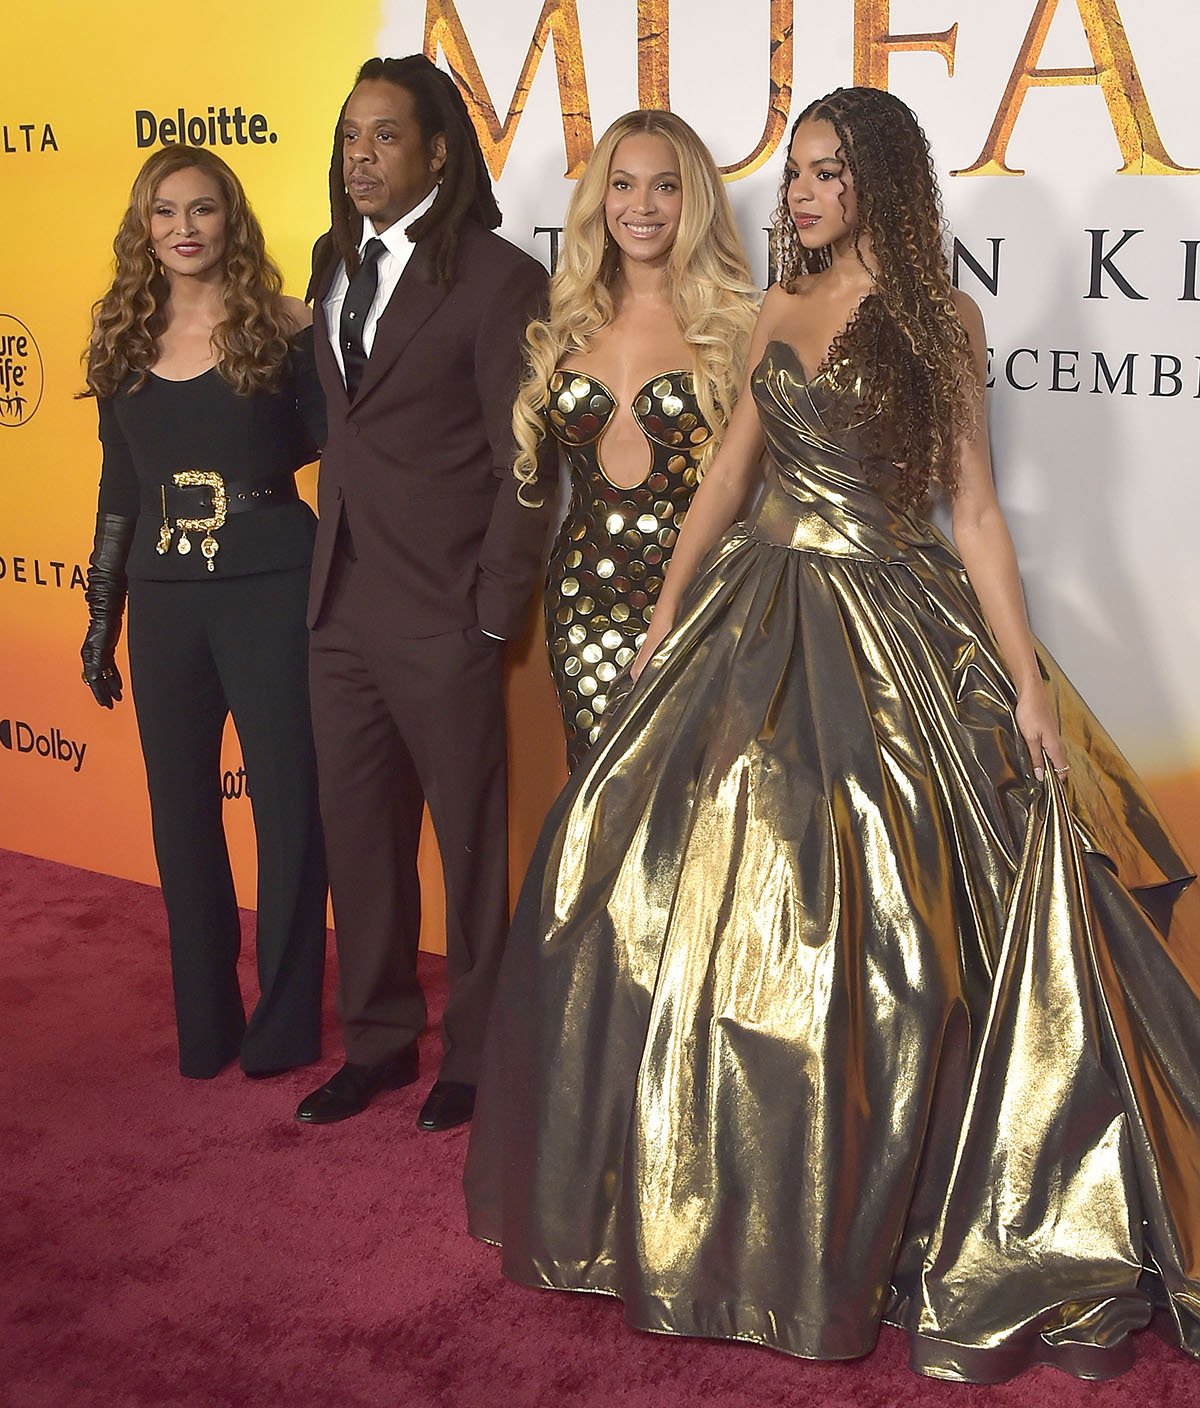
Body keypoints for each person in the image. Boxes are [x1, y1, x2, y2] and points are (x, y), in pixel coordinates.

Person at [464, 87, 1200, 1381]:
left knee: (885, 918)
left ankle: (880, 1209)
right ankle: (689, 1199)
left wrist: (1027, 680)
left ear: (882, 188)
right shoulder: (772, 314)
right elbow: (729, 482)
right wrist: (665, 619)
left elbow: (972, 512)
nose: (798, 194)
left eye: (825, 174)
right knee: (614, 862)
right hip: (753, 614)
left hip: (892, 617)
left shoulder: (941, 323)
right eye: (794, 172)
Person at [294, 56, 557, 1131]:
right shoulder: (329, 259)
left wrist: (492, 610)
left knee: (469, 845)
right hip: (338, 602)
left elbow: (527, 463)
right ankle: (379, 1041)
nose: (359, 156)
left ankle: (477, 1056)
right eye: (350, 135)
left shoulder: (500, 282)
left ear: (438, 153)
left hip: (446, 610)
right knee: (359, 839)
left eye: (384, 136)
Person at [80, 145, 328, 1081]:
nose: (185, 229)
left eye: (203, 210)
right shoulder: (121, 336)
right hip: (166, 606)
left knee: (292, 814)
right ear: (143, 229)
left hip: (272, 589)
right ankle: (206, 1024)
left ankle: (286, 1026)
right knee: (181, 819)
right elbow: (118, 491)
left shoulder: (287, 327)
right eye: (164, 212)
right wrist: (104, 613)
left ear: (233, 220)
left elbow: (340, 462)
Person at [511, 111, 757, 769]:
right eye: (623, 184)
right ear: (600, 197)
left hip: (707, 604)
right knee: (597, 799)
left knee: (691, 813)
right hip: (584, 601)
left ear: (694, 199)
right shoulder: (564, 317)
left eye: (665, 186)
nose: (641, 206)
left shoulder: (738, 326)